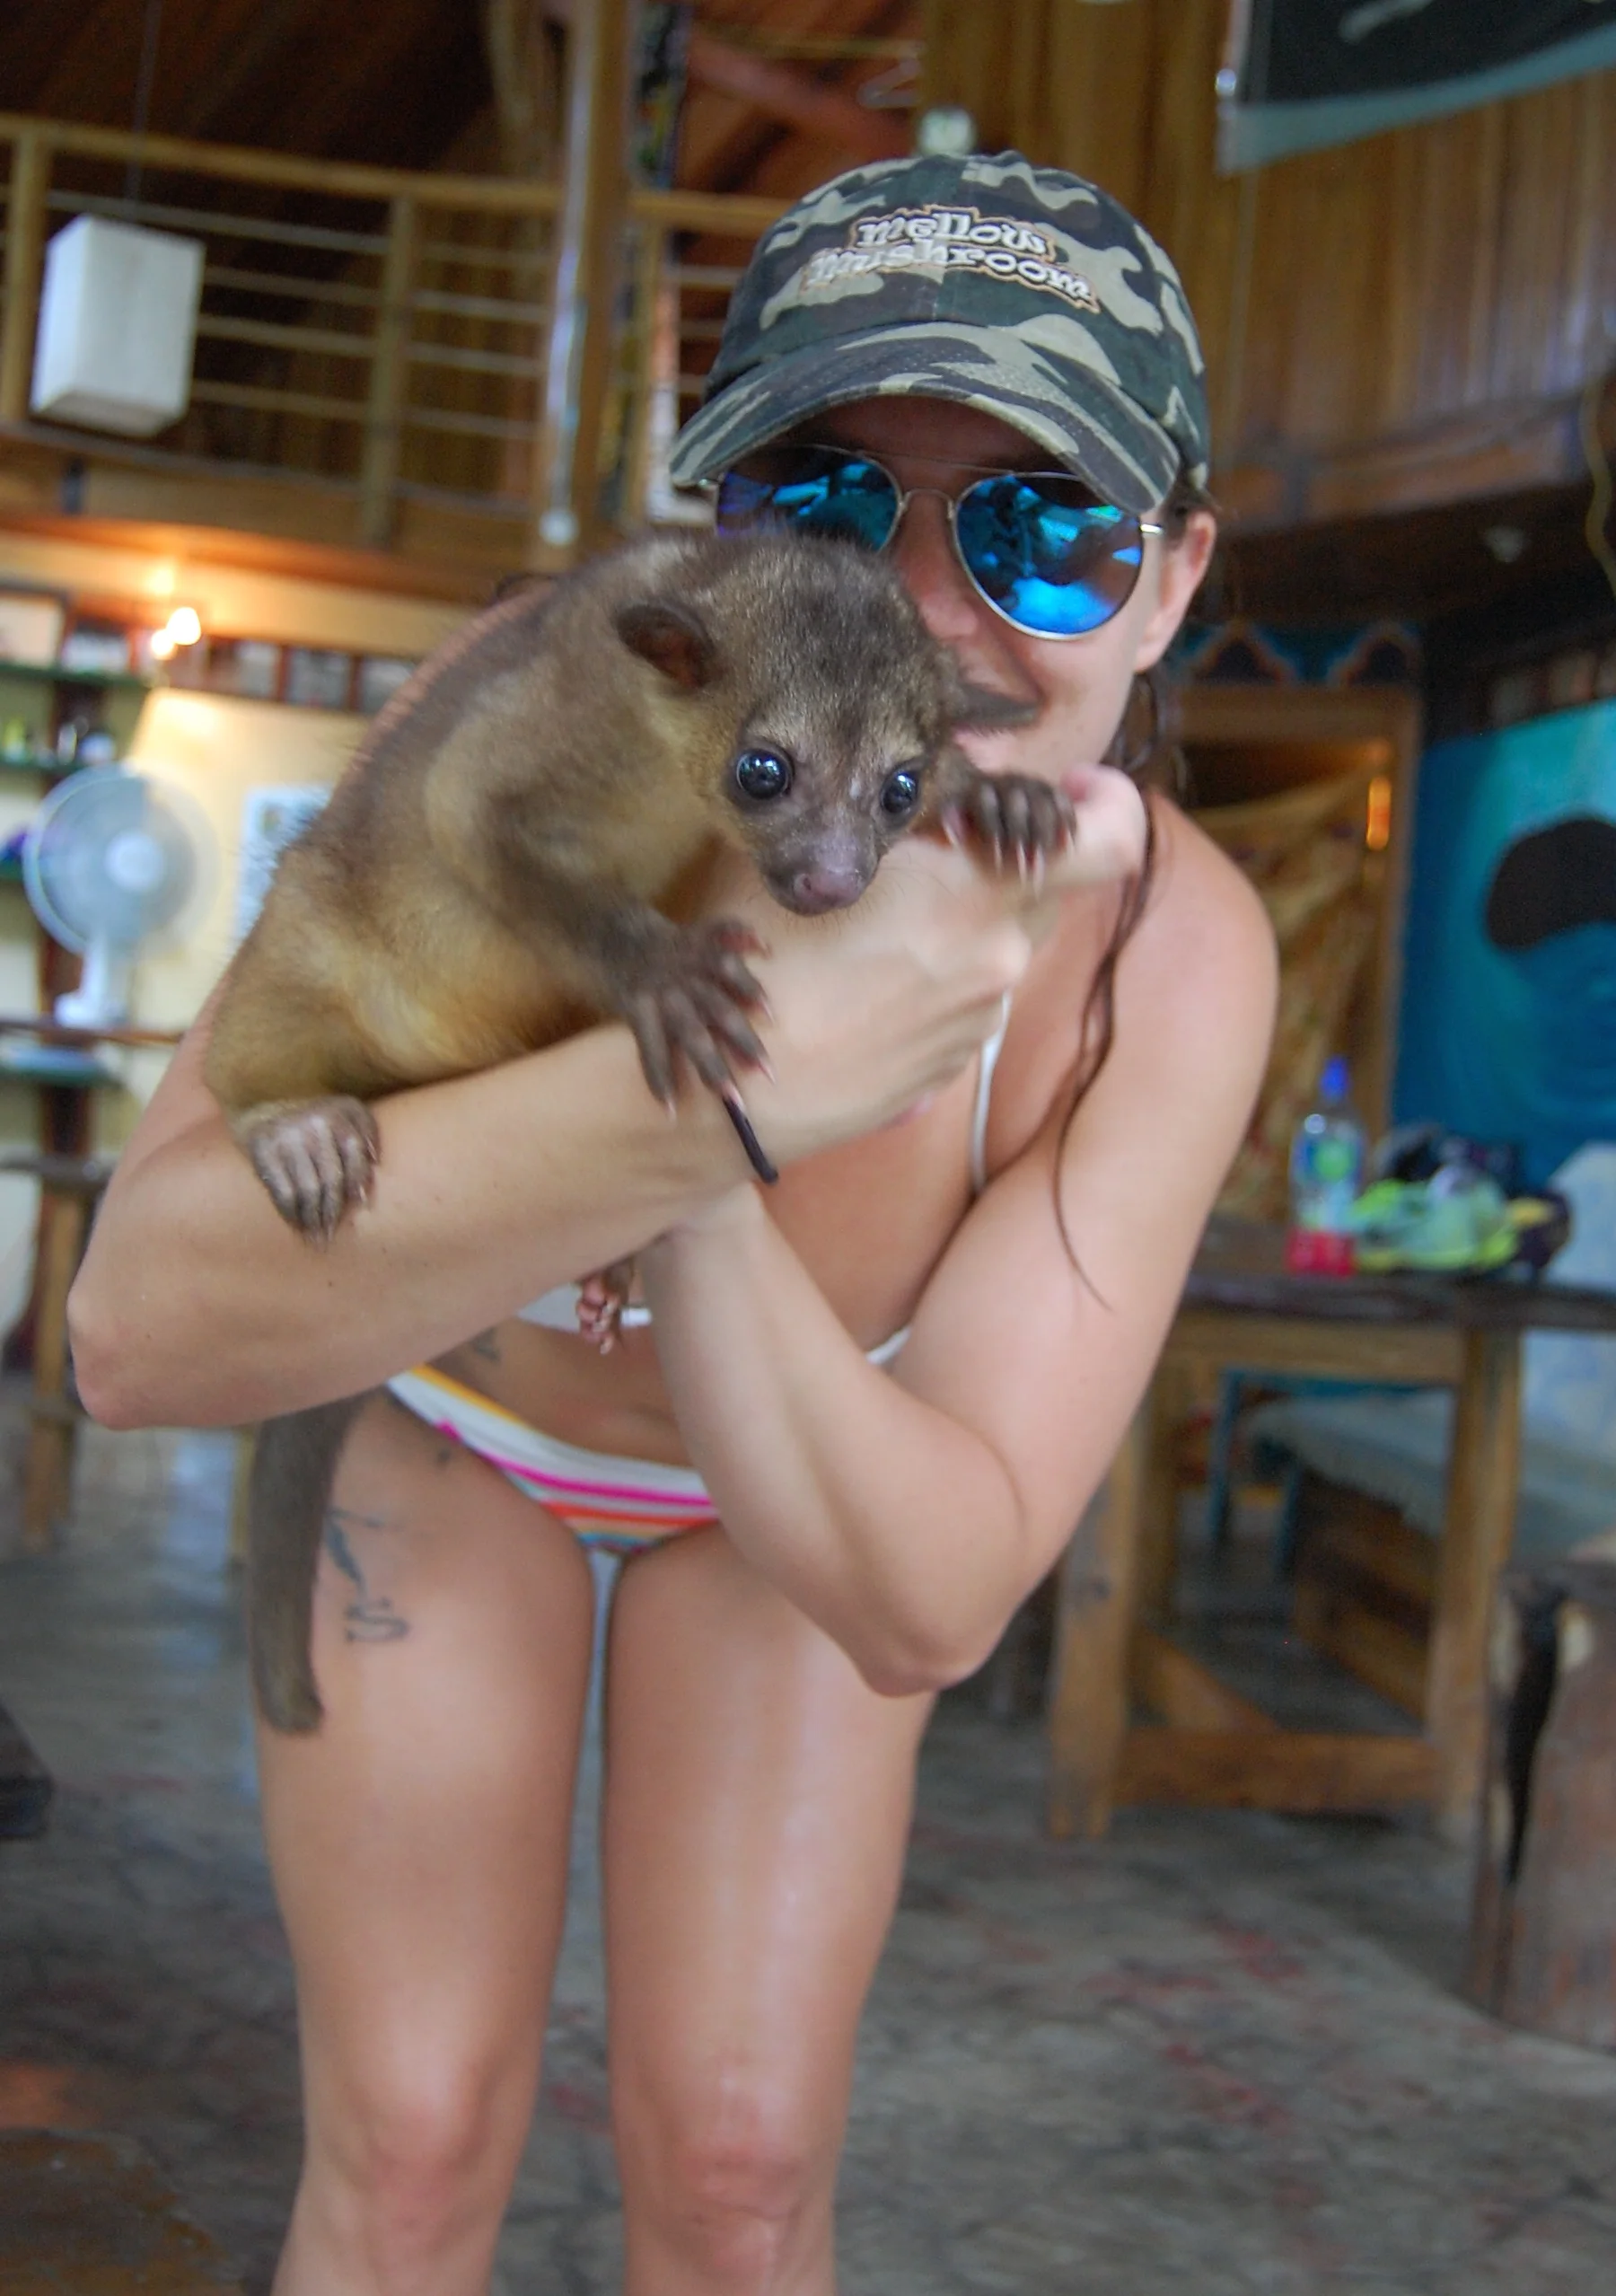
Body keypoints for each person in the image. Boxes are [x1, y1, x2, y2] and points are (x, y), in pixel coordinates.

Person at [68, 151, 1276, 2296]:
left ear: (1172, 580)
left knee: (730, 2181)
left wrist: (708, 1135)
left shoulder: (1169, 954)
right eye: (823, 499)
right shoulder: (550, 703)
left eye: (1045, 531)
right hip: (439, 1428)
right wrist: (721, 1095)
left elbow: (927, 1597)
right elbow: (137, 1329)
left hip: (797, 1507)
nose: (914, 601)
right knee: (413, 2145)